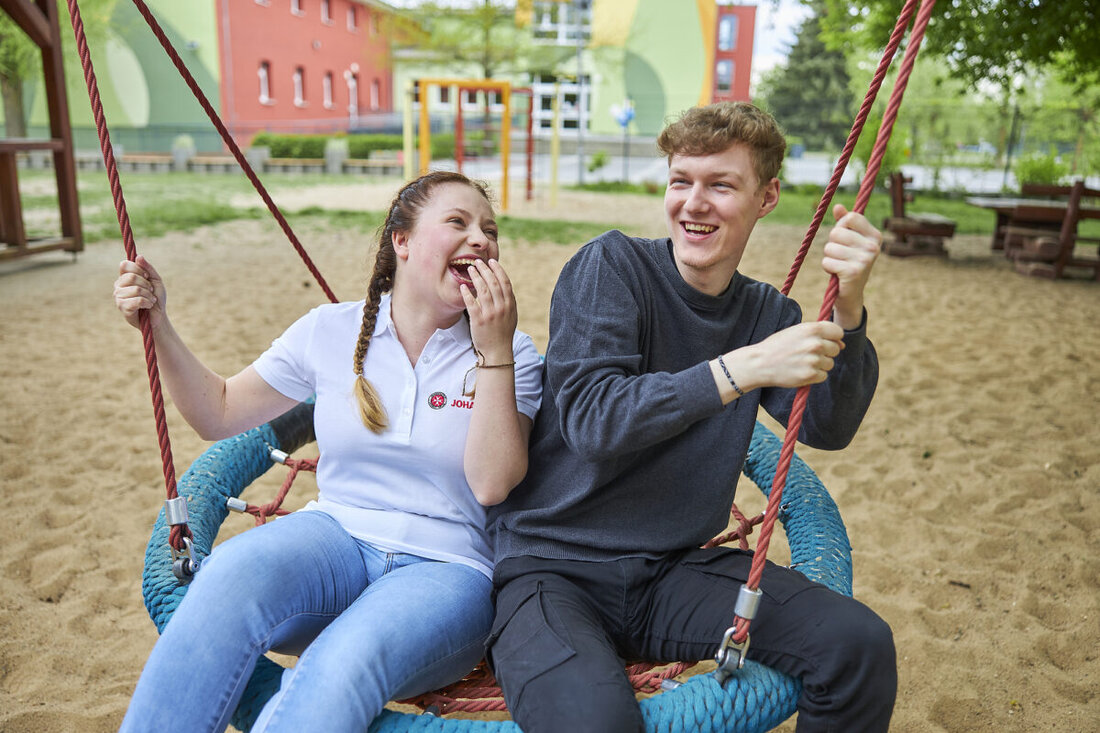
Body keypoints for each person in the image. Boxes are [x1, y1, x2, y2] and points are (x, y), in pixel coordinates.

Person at [484, 101, 896, 732]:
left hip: (674, 572)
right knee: (597, 723)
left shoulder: (767, 313)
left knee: (858, 646)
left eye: (721, 185)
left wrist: (850, 309)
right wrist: (743, 369)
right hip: (553, 566)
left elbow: (827, 427)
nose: (693, 203)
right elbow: (594, 421)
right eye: (681, 181)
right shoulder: (612, 267)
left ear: (767, 197)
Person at [113, 171, 542, 733]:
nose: (481, 239)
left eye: (489, 230)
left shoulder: (514, 354)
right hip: (335, 534)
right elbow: (217, 411)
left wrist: (492, 350)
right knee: (226, 578)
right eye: (458, 222)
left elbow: (491, 484)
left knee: (343, 657)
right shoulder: (330, 331)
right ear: (403, 241)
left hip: (447, 568)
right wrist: (160, 324)